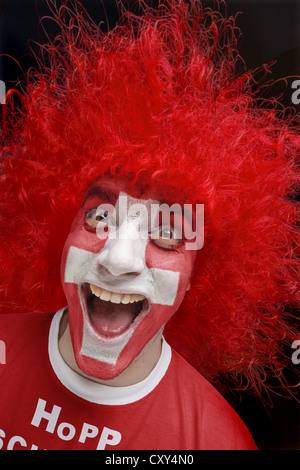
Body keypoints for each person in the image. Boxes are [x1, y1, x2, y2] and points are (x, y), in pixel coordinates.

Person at [0, 0, 298, 450]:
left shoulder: (215, 441)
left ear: (201, 277)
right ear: (58, 230)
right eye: (100, 217)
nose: (118, 261)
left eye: (165, 236)